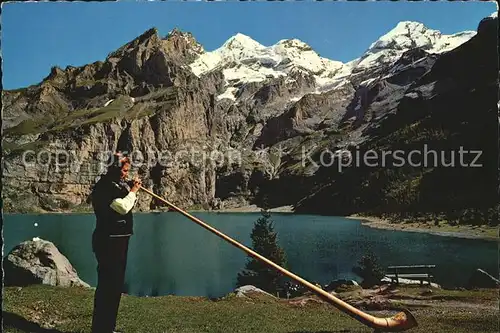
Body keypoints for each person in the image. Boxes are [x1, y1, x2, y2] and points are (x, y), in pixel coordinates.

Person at [90, 152, 142, 333]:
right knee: (108, 286)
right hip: (109, 242)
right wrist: (133, 191)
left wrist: (128, 189)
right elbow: (122, 207)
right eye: (124, 171)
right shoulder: (104, 186)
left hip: (118, 242)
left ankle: (107, 328)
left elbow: (123, 202)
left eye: (127, 171)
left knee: (114, 286)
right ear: (114, 169)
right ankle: (101, 329)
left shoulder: (115, 185)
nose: (126, 175)